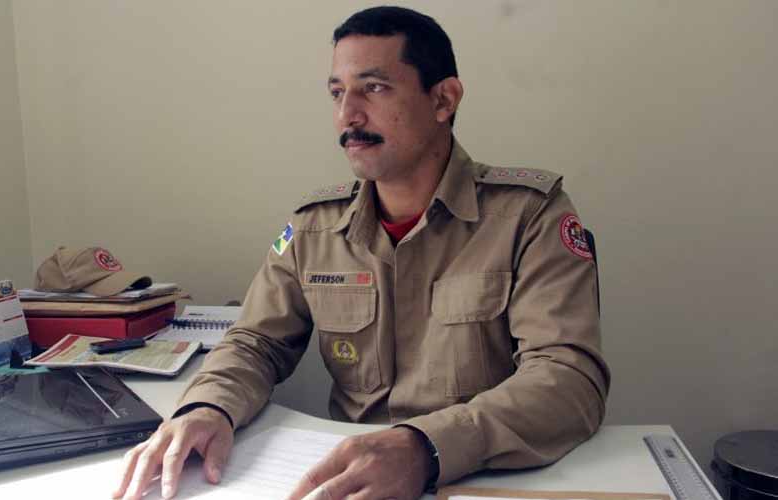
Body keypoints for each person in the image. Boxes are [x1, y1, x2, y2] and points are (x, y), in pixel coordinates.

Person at [113, 6, 610, 500]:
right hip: (349, 484)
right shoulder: (314, 226)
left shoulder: (528, 216)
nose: (347, 116)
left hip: (478, 479)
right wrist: (207, 407)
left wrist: (425, 447)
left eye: (373, 88)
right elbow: (255, 342)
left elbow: (570, 379)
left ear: (443, 99)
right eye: (337, 93)